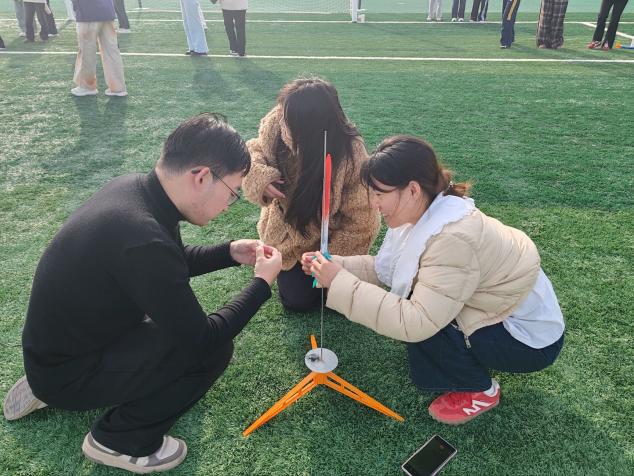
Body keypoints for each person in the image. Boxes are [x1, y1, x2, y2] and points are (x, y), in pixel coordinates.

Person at [2, 113, 283, 473]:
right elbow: (202, 340)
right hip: (67, 371)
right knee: (211, 352)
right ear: (201, 177)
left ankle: (49, 381)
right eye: (231, 193)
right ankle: (118, 439)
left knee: (167, 320)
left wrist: (228, 252)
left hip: (57, 350)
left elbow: (167, 263)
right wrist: (261, 284)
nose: (228, 205)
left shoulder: (134, 191)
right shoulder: (142, 238)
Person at [304, 136, 565, 425]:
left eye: (379, 194)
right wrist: (336, 266)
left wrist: (338, 281)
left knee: (426, 322)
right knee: (421, 300)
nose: (373, 203)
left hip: (529, 341)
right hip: (500, 309)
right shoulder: (430, 212)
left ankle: (480, 390)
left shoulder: (452, 237)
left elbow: (417, 321)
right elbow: (386, 270)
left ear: (413, 190)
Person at [243, 77, 380, 313]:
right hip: (287, 234)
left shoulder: (351, 151)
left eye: (288, 121)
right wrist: (260, 179)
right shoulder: (277, 122)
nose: (282, 121)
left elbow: (362, 218)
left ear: (310, 127)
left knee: (338, 300)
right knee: (297, 300)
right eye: (282, 115)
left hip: (330, 238)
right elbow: (254, 150)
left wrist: (332, 260)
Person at [71, 0, 127, 97]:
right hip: (107, 11)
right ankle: (118, 88)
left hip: (87, 12)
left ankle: (87, 86)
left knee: (86, 51)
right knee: (112, 51)